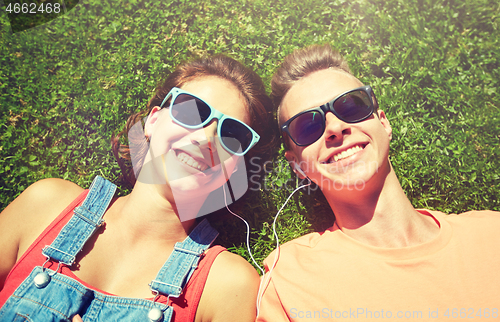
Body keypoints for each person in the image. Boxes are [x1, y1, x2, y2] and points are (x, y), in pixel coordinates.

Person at [0, 54, 275, 322]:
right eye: (191, 111)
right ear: (153, 121)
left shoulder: (227, 286)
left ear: (234, 167)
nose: (205, 138)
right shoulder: (46, 205)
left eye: (232, 135)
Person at [257, 44, 500, 321]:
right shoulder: (289, 280)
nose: (335, 127)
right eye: (308, 125)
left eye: (350, 106)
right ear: (297, 165)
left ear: (383, 123)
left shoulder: (492, 233)